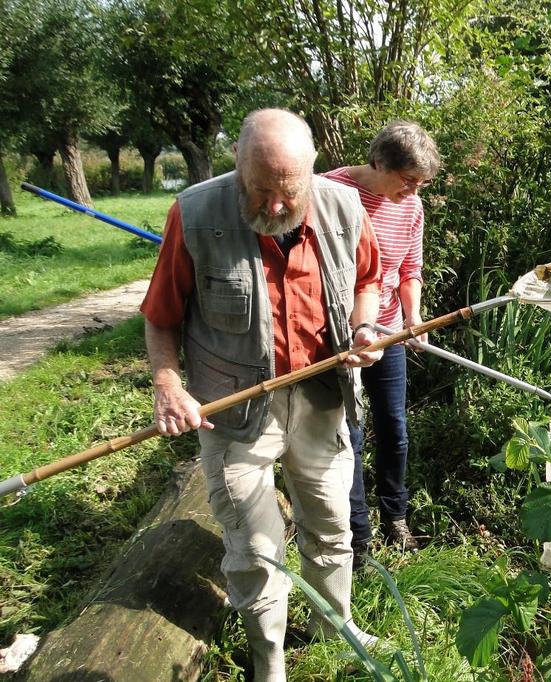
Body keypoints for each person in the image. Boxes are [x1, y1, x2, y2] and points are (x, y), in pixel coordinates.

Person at [140, 108, 383, 682]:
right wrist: (168, 383)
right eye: (259, 189)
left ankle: (334, 623)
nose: (273, 206)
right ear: (237, 166)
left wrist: (366, 328)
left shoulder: (344, 207)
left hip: (323, 399)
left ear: (313, 174)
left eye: (288, 192)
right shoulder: (195, 213)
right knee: (254, 547)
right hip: (235, 410)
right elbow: (159, 317)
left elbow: (370, 280)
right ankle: (268, 657)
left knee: (331, 525)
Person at [323, 121, 440, 563]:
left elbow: (409, 269)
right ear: (378, 162)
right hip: (336, 339)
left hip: (387, 329)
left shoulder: (410, 207)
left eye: (422, 183)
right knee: (348, 434)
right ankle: (359, 538)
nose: (413, 192)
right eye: (407, 181)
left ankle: (396, 516)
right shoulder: (327, 192)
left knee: (394, 428)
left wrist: (413, 318)